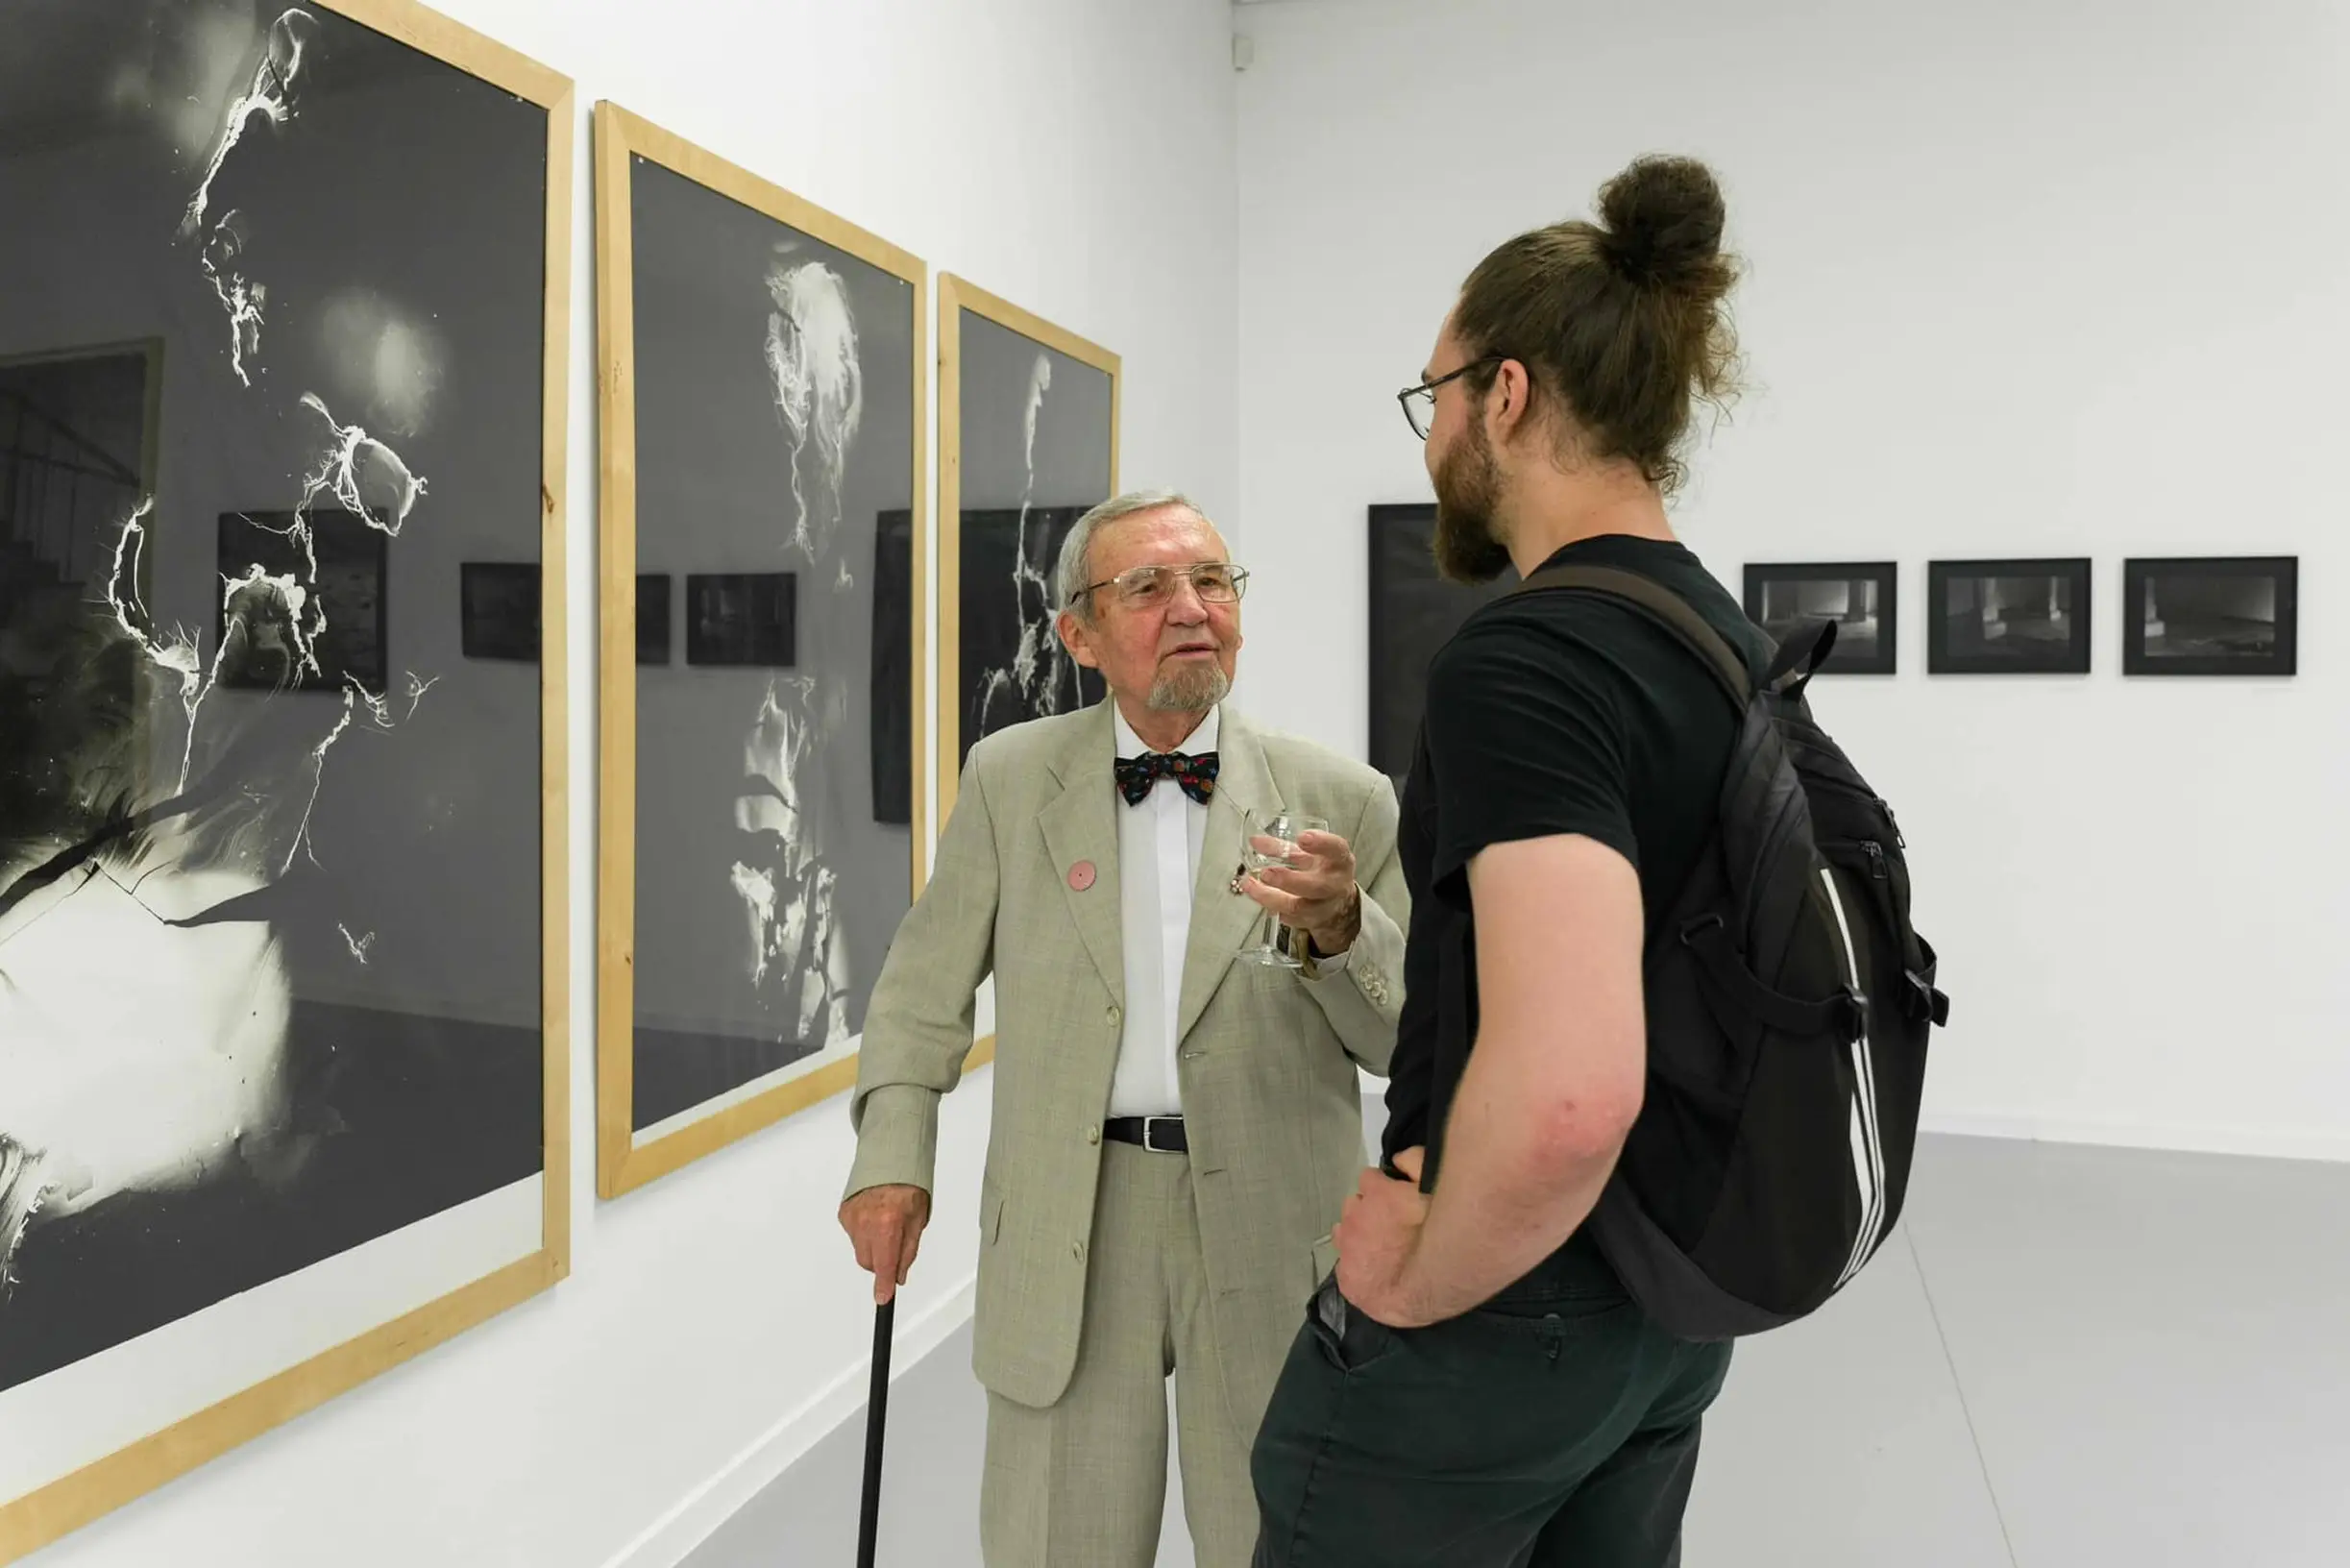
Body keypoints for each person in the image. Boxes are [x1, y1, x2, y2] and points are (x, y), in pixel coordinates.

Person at [1249, 154, 1774, 1566]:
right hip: (1668, 1302)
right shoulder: (1717, 640)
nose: (1429, 438)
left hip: (1509, 1305)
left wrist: (1415, 1282)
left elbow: (1566, 1096)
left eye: (1433, 397)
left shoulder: (1529, 658)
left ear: (1507, 395)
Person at [840, 490, 1408, 1568]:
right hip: (1072, 1218)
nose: (1192, 607)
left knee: (1282, 1540)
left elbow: (1402, 1042)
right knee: (1060, 1541)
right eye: (1148, 586)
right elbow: (920, 994)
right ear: (1079, 635)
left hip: (1275, 1221)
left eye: (1212, 581)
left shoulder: (1345, 798)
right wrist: (890, 1160)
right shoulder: (1008, 780)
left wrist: (1342, 927)